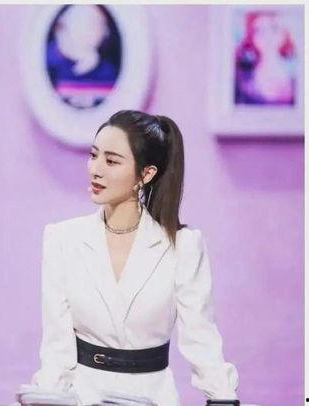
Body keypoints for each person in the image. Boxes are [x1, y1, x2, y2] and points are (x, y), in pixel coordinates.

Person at [28, 110, 240, 405]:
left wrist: (223, 397)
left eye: (112, 161)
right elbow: (56, 346)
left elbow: (200, 338)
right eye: (93, 155)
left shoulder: (183, 247)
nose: (96, 169)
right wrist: (49, 394)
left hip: (153, 396)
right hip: (83, 396)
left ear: (146, 174)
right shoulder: (63, 239)